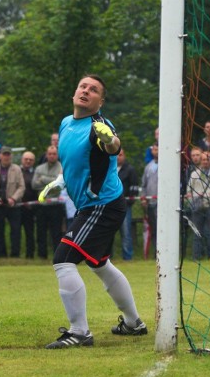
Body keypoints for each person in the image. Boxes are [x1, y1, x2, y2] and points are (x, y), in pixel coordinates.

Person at [37, 75, 146, 349]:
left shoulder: (99, 126)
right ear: (75, 93)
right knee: (99, 264)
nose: (86, 91)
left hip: (102, 205)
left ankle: (80, 332)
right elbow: (75, 161)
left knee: (63, 258)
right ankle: (134, 323)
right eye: (83, 86)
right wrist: (60, 181)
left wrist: (112, 141)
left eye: (93, 90)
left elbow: (112, 147)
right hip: (92, 205)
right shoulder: (66, 123)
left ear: (101, 101)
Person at [185, 151, 210, 260]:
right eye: (203, 159)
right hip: (197, 208)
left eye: (207, 159)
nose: (205, 162)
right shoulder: (194, 174)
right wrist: (192, 200)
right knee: (196, 233)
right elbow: (188, 191)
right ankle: (196, 256)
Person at [0, 146, 25, 258]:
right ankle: (0, 255)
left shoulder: (17, 169)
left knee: (15, 231)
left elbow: (21, 187)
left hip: (13, 205)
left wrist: (13, 198)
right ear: (0, 156)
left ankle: (15, 255)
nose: (6, 157)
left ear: (11, 156)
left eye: (8, 154)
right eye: (4, 154)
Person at [32, 145, 66, 259]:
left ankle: (57, 256)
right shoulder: (39, 168)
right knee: (40, 232)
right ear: (46, 155)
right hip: (41, 206)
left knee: (56, 233)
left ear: (58, 155)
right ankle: (42, 256)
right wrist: (53, 181)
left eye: (54, 154)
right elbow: (34, 184)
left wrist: (43, 179)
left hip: (56, 206)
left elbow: (60, 185)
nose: (52, 156)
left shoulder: (62, 167)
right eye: (50, 154)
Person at [116, 149, 139, 261]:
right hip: (110, 206)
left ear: (124, 156)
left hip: (125, 207)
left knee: (126, 233)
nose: (118, 157)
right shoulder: (109, 169)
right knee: (108, 233)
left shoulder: (130, 170)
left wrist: (128, 202)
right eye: (116, 155)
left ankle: (127, 257)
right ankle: (107, 257)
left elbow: (134, 188)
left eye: (120, 155)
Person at [19, 151, 40, 259]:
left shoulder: (36, 172)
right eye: (26, 159)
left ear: (34, 161)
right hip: (17, 207)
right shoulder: (16, 171)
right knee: (16, 232)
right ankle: (15, 255)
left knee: (30, 232)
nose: (28, 161)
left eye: (30, 160)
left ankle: (30, 254)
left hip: (31, 208)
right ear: (22, 160)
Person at [139, 143, 159, 257]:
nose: (155, 151)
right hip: (151, 203)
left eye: (157, 149)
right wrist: (143, 198)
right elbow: (144, 185)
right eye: (154, 149)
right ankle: (156, 253)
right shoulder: (148, 167)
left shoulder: (168, 165)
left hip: (163, 204)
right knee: (154, 229)